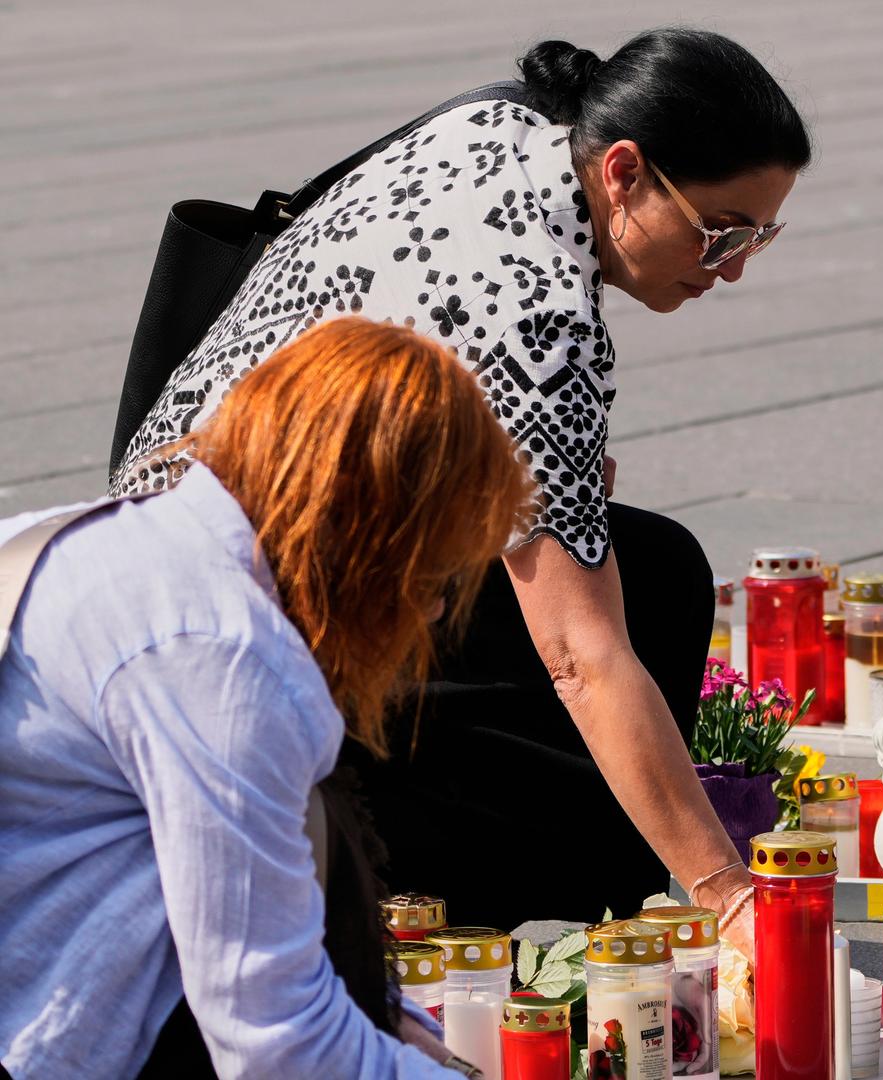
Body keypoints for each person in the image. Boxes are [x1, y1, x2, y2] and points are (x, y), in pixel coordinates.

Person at [108, 29, 813, 936]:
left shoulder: (506, 124)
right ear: (625, 172)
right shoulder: (539, 316)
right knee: (621, 615)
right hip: (233, 612)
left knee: (651, 567)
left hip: (168, 510)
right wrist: (727, 892)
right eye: (721, 232)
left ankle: (569, 894)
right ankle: (512, 922)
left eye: (761, 236)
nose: (736, 266)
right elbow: (581, 658)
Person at [1, 318, 529, 1077]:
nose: (439, 609)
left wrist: (404, 1036)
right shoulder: (225, 656)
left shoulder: (134, 545)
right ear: (370, 544)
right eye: (435, 573)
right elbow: (278, 1043)